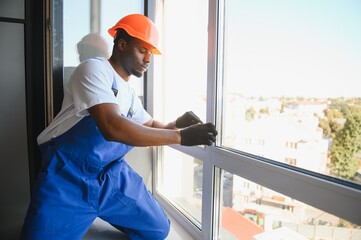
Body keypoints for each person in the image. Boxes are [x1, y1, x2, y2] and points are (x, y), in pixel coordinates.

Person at [21, 14, 217, 240]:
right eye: (143, 50)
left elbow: (152, 124)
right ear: (122, 45)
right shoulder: (93, 69)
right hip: (67, 179)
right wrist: (181, 136)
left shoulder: (129, 94)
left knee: (158, 229)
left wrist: (176, 124)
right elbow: (112, 126)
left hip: (112, 176)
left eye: (151, 53)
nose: (148, 59)